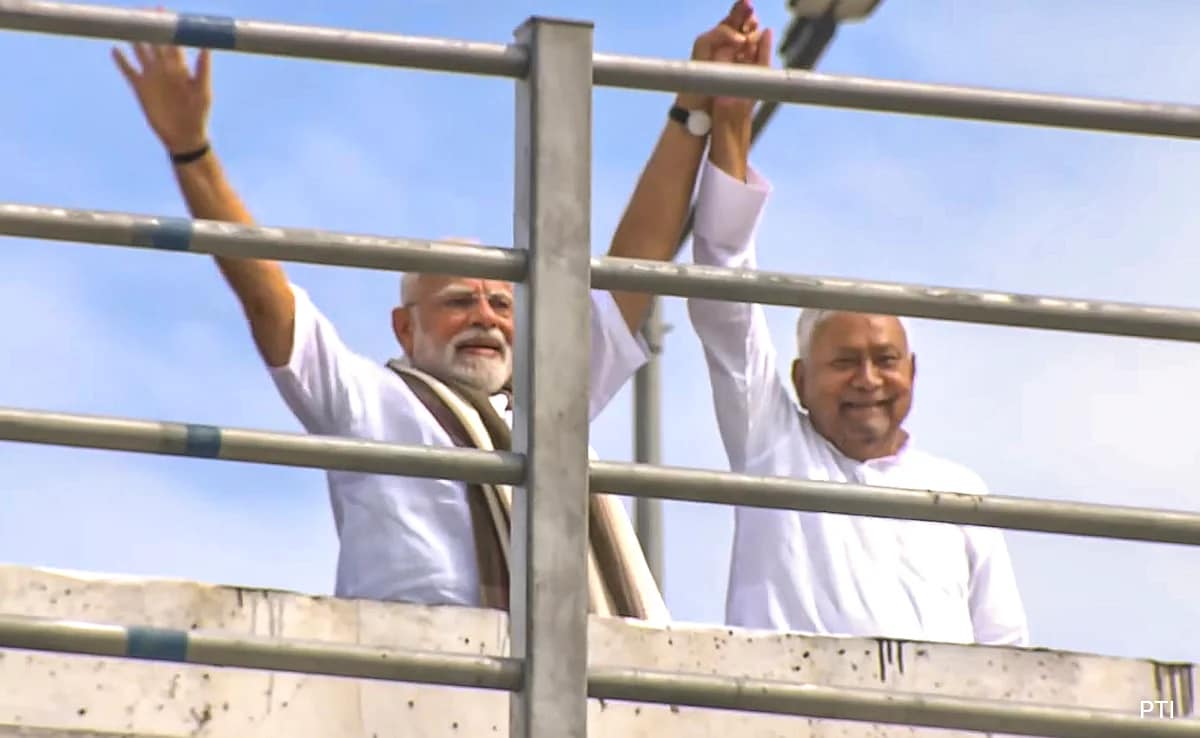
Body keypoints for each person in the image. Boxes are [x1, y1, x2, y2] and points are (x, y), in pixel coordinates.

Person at [110, 5, 766, 621]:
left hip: (564, 678)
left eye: (501, 302)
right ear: (405, 328)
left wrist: (692, 105)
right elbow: (263, 291)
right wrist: (191, 150)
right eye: (457, 301)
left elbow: (635, 264)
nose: (484, 315)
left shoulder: (548, 407)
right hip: (415, 680)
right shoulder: (364, 397)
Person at [681, 23, 1030, 645]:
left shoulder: (961, 491)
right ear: (799, 379)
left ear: (912, 373)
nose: (868, 380)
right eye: (844, 362)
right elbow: (722, 291)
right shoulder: (773, 447)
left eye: (885, 360)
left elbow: (1006, 651)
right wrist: (732, 121)